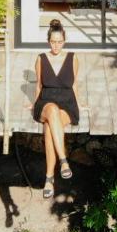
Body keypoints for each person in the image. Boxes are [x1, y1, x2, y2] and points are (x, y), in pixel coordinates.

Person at [32, 19, 79, 198]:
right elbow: (38, 85)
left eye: (59, 42)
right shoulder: (41, 58)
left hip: (67, 104)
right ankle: (64, 161)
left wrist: (80, 103)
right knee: (51, 111)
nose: (56, 45)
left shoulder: (73, 57)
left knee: (50, 126)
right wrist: (33, 102)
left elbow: (74, 85)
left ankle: (49, 178)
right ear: (48, 41)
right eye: (53, 42)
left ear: (64, 41)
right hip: (46, 102)